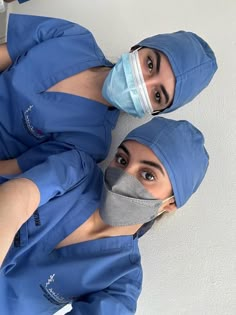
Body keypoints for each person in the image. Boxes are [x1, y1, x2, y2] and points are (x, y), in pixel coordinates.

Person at [0, 14, 216, 211]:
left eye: (157, 95)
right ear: (138, 48)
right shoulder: (74, 37)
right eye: (150, 64)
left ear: (155, 110)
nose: (144, 82)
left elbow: (13, 168)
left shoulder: (90, 143)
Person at [0, 116, 209, 314]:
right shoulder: (77, 170)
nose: (123, 177)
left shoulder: (122, 280)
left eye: (148, 175)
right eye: (122, 159)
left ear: (170, 203)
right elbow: (17, 196)